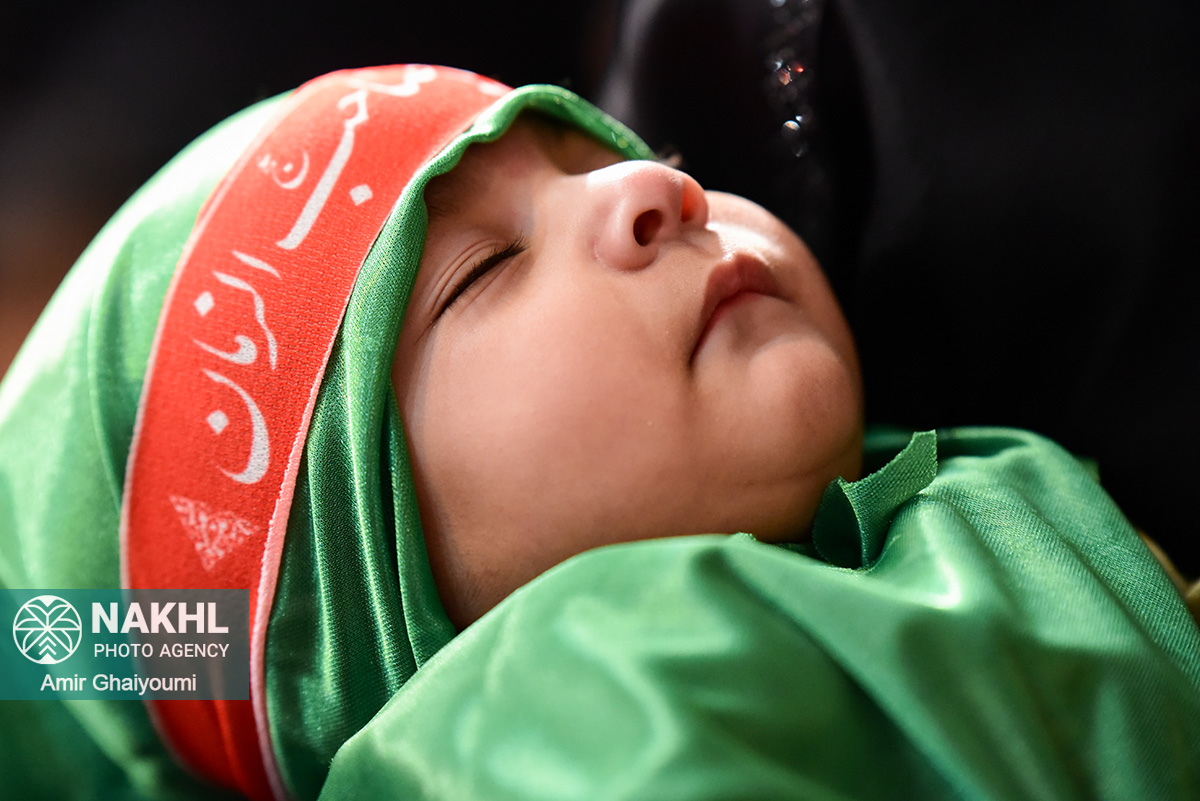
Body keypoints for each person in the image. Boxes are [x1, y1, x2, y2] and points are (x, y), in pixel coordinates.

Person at [0, 64, 1196, 801]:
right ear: (352, 619)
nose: (654, 191)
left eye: (631, 157)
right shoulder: (537, 728)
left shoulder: (939, 487)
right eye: (483, 268)